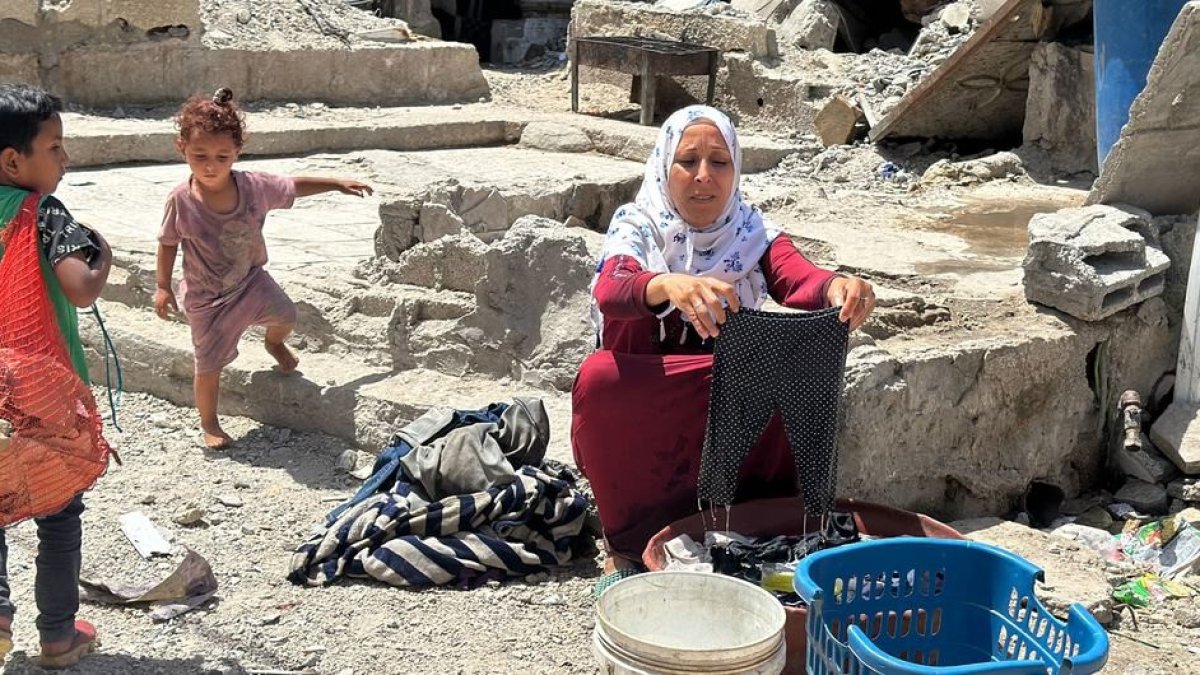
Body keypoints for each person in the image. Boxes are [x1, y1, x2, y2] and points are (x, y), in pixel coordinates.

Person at [571, 105, 876, 595]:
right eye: (687, 161)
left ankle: (747, 521)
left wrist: (839, 287)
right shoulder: (639, 224)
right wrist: (668, 285)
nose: (703, 177)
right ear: (663, 166)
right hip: (654, 397)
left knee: (792, 367)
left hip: (726, 389)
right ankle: (626, 546)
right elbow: (612, 287)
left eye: (719, 162)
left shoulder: (750, 229)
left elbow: (797, 277)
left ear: (735, 169)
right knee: (600, 380)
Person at [154, 88, 373, 449]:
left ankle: (274, 344)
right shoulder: (181, 200)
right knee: (208, 365)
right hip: (206, 300)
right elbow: (167, 243)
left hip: (251, 281)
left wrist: (335, 183)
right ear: (182, 149)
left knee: (286, 315)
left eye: (222, 156)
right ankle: (210, 423)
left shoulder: (254, 187)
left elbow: (293, 186)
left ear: (237, 153)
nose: (211, 165)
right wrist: (162, 286)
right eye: (200, 156)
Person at [0, 83, 112, 668]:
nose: (65, 159)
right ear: (13, 162)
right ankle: (59, 635)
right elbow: (79, 288)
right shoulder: (45, 212)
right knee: (59, 509)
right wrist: (103, 258)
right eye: (56, 147)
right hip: (38, 388)